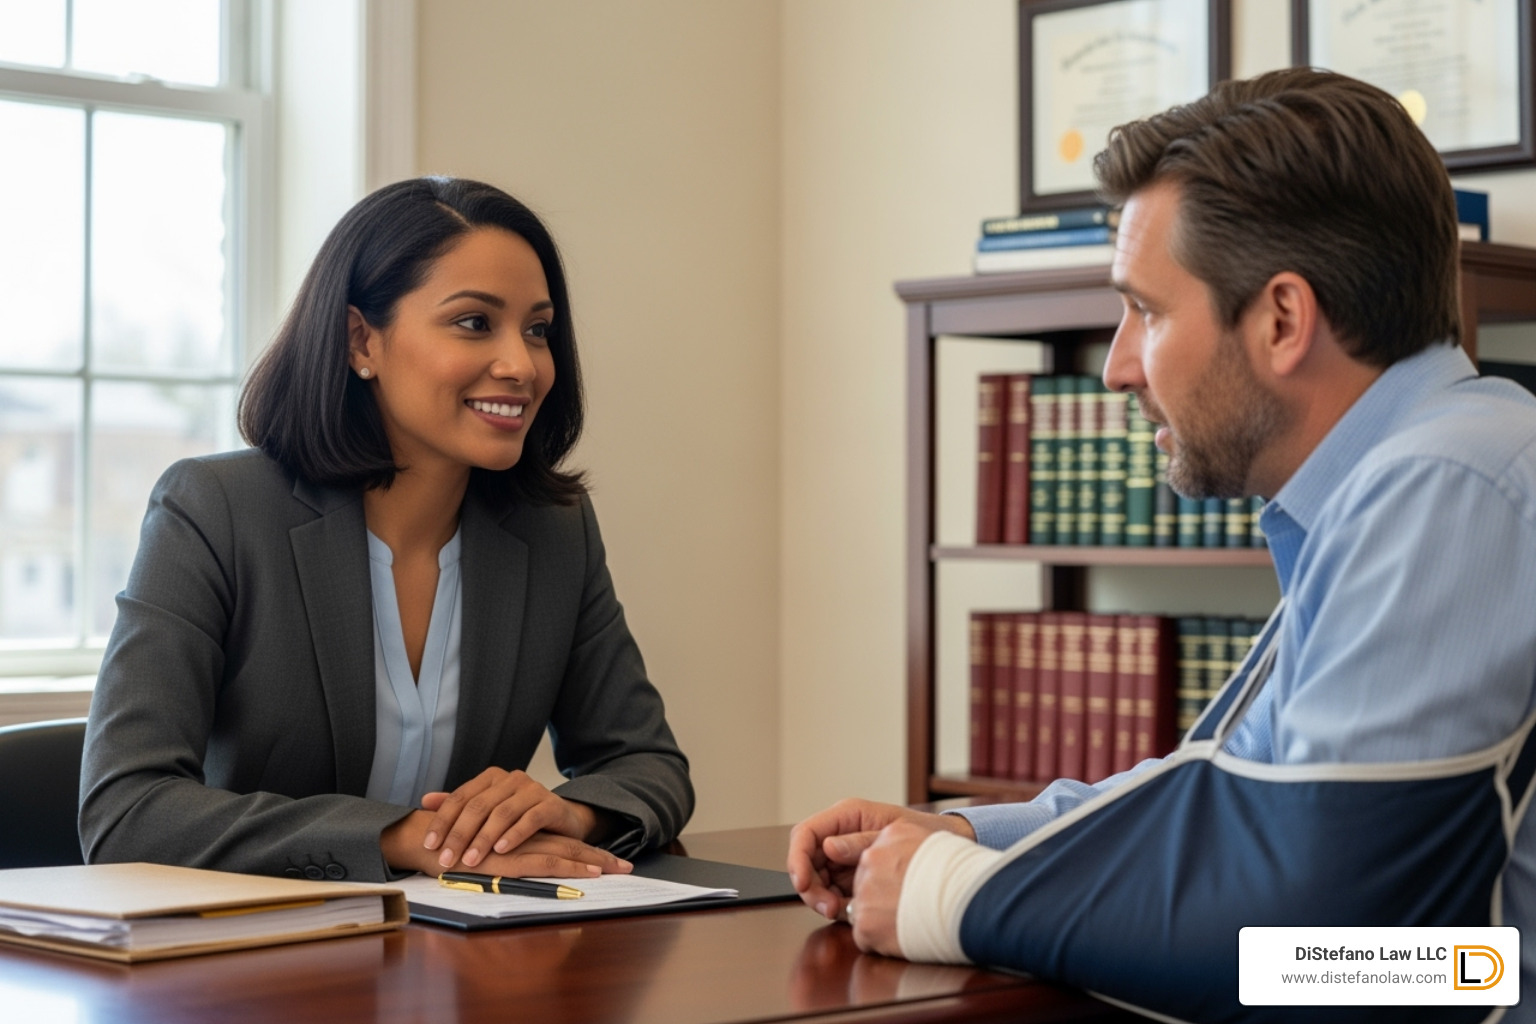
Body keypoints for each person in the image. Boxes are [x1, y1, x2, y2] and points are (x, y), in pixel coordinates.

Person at [789, 68, 1536, 1021]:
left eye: (1145, 309)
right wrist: (963, 830)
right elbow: (1224, 802)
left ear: (1281, 320)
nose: (1115, 365)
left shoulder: (1451, 484)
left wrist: (955, 896)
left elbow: (1357, 959)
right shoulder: (1407, 476)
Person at [80, 177, 693, 884]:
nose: (522, 365)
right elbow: (125, 809)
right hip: (253, 967)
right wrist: (403, 837)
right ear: (360, 340)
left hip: (468, 962)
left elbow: (649, 765)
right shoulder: (215, 510)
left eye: (538, 329)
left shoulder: (553, 533)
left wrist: (567, 816)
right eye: (473, 323)